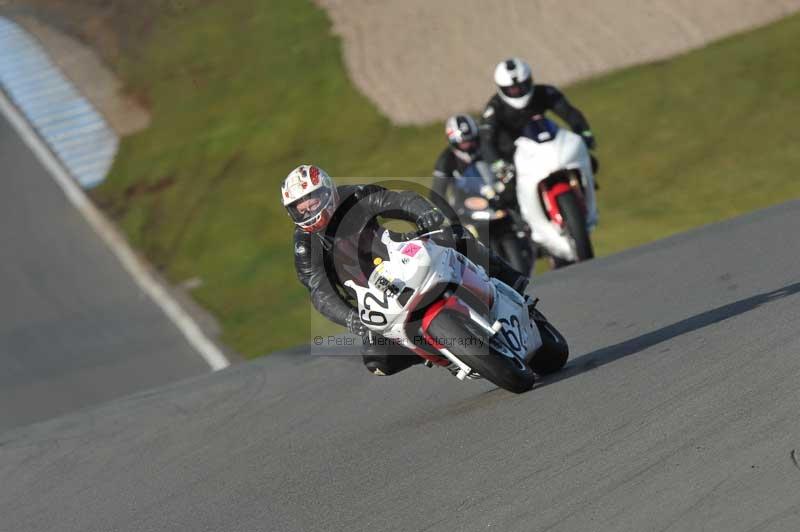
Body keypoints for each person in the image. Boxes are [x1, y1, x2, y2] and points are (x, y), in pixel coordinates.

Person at [282, 164, 530, 376]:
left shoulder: (355, 197)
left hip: (402, 255)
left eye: (311, 202)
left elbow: (397, 200)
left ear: (327, 191)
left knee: (454, 235)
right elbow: (319, 290)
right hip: (370, 298)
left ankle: (511, 281)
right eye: (299, 208)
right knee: (377, 360)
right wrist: (351, 318)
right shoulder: (304, 244)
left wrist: (424, 213)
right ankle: (432, 351)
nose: (308, 212)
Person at [479, 57, 598, 175]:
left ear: (530, 80)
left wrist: (585, 134)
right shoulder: (494, 108)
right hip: (515, 159)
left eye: (522, 86)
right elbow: (486, 140)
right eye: (512, 90)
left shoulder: (546, 92)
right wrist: (498, 164)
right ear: (502, 89)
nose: (518, 91)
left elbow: (570, 113)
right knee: (509, 190)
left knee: (590, 164)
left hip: (548, 146)